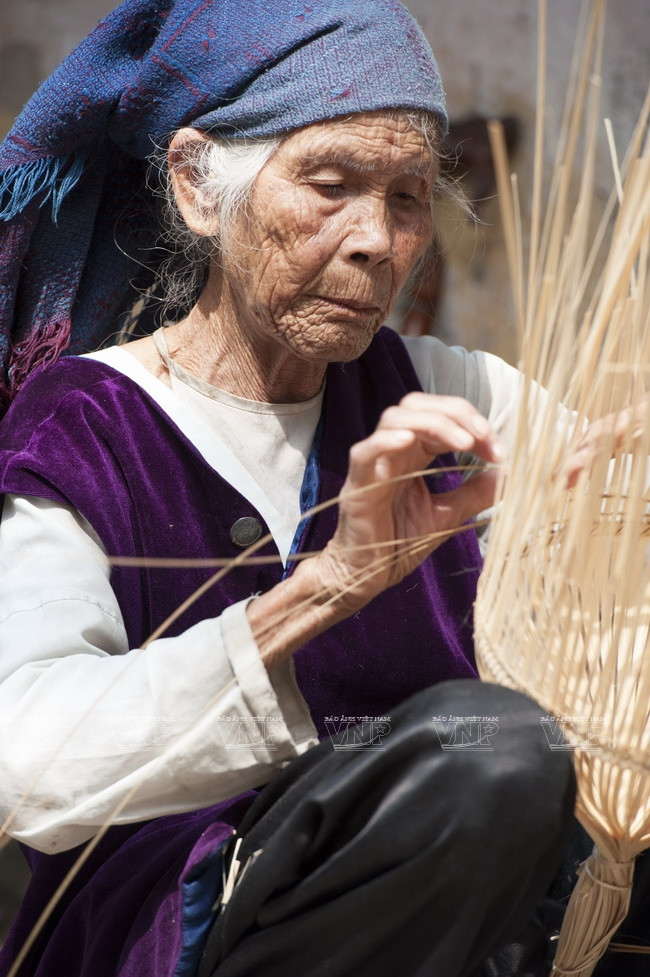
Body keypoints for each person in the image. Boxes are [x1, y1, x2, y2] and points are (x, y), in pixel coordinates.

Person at [0, 1, 594, 975]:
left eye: (407, 200)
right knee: (488, 748)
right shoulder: (87, 424)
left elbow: (603, 498)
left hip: (444, 932)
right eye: (329, 185)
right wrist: (332, 580)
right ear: (197, 187)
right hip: (166, 938)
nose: (375, 239)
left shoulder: (446, 390)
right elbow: (25, 764)